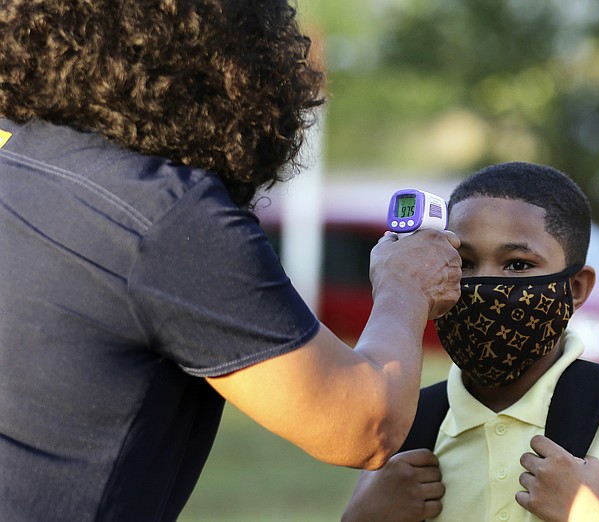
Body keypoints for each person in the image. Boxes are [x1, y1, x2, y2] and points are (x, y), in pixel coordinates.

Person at [0, 1, 461, 520]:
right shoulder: (165, 212)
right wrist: (405, 285)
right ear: (230, 66)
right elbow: (365, 425)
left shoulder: (17, 159)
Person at [341, 162, 599, 522]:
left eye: (518, 265)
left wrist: (589, 512)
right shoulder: (407, 427)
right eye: (465, 264)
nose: (484, 287)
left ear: (575, 288)